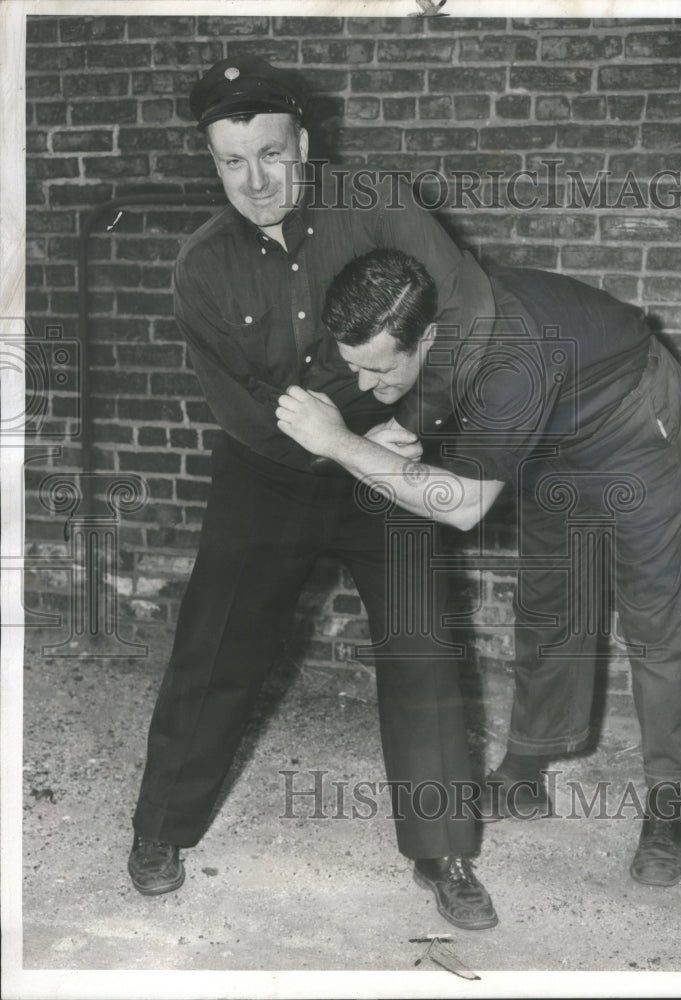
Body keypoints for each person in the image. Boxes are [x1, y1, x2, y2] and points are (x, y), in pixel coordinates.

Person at [128, 56, 500, 931]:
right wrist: (343, 443)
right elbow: (246, 410)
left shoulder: (374, 201)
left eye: (270, 153)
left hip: (387, 457)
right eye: (231, 162)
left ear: (306, 141)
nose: (255, 181)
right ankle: (160, 830)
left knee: (423, 647)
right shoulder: (201, 269)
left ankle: (443, 852)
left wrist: (416, 421)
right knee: (214, 649)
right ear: (211, 163)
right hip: (272, 472)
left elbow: (469, 310)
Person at [276, 248, 681, 888]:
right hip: (554, 423)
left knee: (656, 614)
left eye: (378, 369)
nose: (364, 386)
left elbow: (463, 507)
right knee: (550, 601)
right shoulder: (437, 306)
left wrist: (339, 441)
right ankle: (528, 773)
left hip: (633, 422)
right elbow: (442, 377)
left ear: (423, 336)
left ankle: (669, 803)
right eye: (354, 369)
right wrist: (400, 424)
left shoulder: (508, 361)